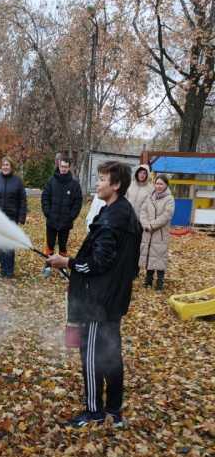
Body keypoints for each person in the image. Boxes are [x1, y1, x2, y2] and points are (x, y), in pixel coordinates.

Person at [48, 161, 142, 429]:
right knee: (111, 354)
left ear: (116, 185)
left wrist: (67, 262)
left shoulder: (112, 219)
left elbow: (98, 263)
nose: (97, 183)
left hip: (99, 303)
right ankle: (114, 411)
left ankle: (94, 412)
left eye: (102, 179)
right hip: (113, 299)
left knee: (91, 355)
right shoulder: (123, 212)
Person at [0, 156, 27, 278]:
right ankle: (3, 269)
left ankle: (9, 270)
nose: (5, 167)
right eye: (3, 165)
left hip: (12, 217)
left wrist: (22, 217)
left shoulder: (17, 181)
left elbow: (23, 200)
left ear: (11, 167)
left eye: (7, 165)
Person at [139, 174, 175, 290]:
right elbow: (143, 212)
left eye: (161, 184)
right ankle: (148, 281)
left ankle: (160, 283)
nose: (158, 186)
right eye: (157, 183)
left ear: (166, 185)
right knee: (149, 256)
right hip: (148, 232)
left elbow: (167, 215)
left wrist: (152, 225)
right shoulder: (150, 197)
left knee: (160, 257)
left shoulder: (169, 199)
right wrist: (145, 224)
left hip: (160, 233)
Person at [41, 157, 83, 256]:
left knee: (63, 246)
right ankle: (49, 262)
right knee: (50, 245)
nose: (63, 169)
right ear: (59, 166)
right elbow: (45, 197)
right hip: (51, 220)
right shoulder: (51, 181)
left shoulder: (74, 184)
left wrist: (71, 216)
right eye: (62, 166)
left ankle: (62, 263)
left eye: (66, 167)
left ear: (69, 167)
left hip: (65, 222)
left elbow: (78, 202)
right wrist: (47, 212)